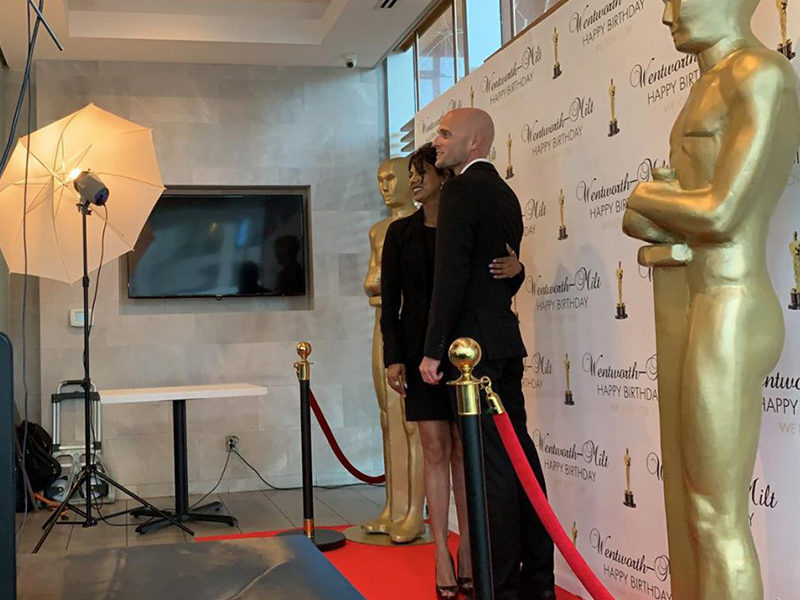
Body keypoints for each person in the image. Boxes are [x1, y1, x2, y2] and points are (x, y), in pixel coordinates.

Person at [420, 108, 556, 600]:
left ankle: (497, 585)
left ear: (474, 142)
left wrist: (435, 349)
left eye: (445, 134)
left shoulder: (460, 190)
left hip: (472, 353)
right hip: (503, 343)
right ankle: (536, 579)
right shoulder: (504, 191)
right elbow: (499, 267)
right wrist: (517, 272)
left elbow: (451, 275)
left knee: (494, 470)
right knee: (519, 460)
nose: (436, 142)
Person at [382, 142, 524, 599]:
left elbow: (493, 276)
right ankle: (440, 552)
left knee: (468, 451)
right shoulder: (400, 234)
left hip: (465, 354)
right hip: (419, 351)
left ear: (444, 176)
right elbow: (392, 303)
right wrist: (394, 356)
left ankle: (468, 552)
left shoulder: (467, 224)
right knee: (435, 449)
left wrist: (518, 270)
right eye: (411, 172)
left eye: (421, 171)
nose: (415, 180)